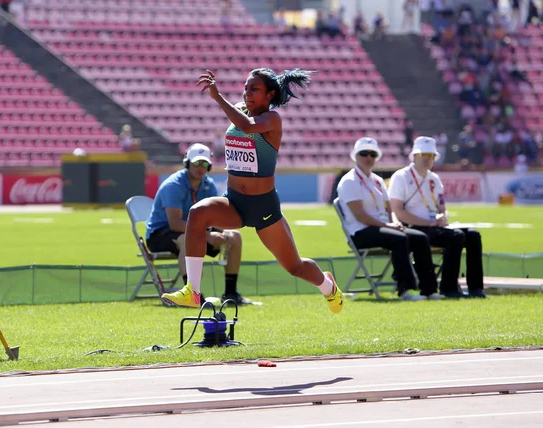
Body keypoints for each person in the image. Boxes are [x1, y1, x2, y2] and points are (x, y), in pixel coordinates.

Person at [162, 68, 344, 312]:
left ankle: (328, 286)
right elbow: (241, 122)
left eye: (254, 89)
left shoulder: (272, 120)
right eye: (246, 87)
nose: (247, 93)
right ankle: (192, 291)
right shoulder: (239, 110)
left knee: (295, 267)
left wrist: (217, 97)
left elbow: (247, 126)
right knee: (197, 213)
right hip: (234, 202)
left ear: (269, 95)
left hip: (263, 207)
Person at [337, 137, 443, 301]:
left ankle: (429, 290)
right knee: (399, 239)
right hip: (360, 232)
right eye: (364, 153)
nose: (368, 157)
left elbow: (388, 208)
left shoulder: (377, 181)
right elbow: (361, 216)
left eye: (372, 154)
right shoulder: (349, 181)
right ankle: (405, 290)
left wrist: (395, 224)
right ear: (356, 156)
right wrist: (389, 226)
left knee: (421, 238)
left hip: (382, 227)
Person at [145, 143, 251, 305]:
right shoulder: (173, 186)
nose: (200, 167)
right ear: (187, 163)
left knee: (234, 236)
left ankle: (231, 294)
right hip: (161, 234)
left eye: (204, 164)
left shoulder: (209, 186)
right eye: (196, 163)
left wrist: (221, 234)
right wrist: (207, 235)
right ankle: (193, 295)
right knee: (189, 239)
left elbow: (216, 217)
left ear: (208, 166)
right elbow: (174, 224)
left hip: (197, 233)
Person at [388, 136, 486, 298]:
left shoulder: (434, 179)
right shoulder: (401, 177)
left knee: (473, 235)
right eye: (423, 155)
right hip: (413, 227)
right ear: (414, 156)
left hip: (435, 226)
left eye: (431, 155)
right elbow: (398, 211)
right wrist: (428, 223)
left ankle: (476, 288)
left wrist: (443, 217)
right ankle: (449, 287)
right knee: (457, 236)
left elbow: (442, 207)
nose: (428, 159)